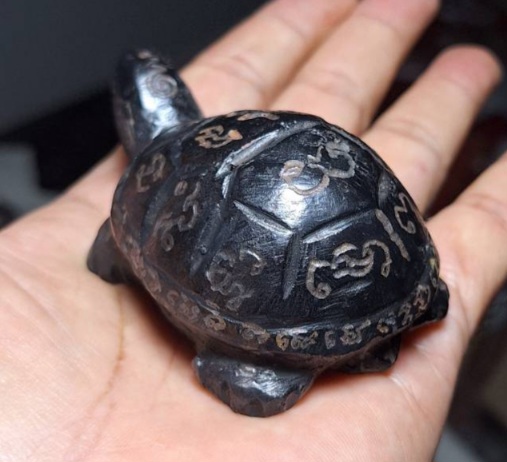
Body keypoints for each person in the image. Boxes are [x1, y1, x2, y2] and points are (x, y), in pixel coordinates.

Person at [0, 0, 505, 460]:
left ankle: (266, 364)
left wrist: (110, 253)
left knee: (124, 250)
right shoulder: (227, 131)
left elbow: (113, 249)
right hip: (406, 266)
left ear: (132, 122)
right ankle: (310, 346)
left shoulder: (141, 193)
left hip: (295, 322)